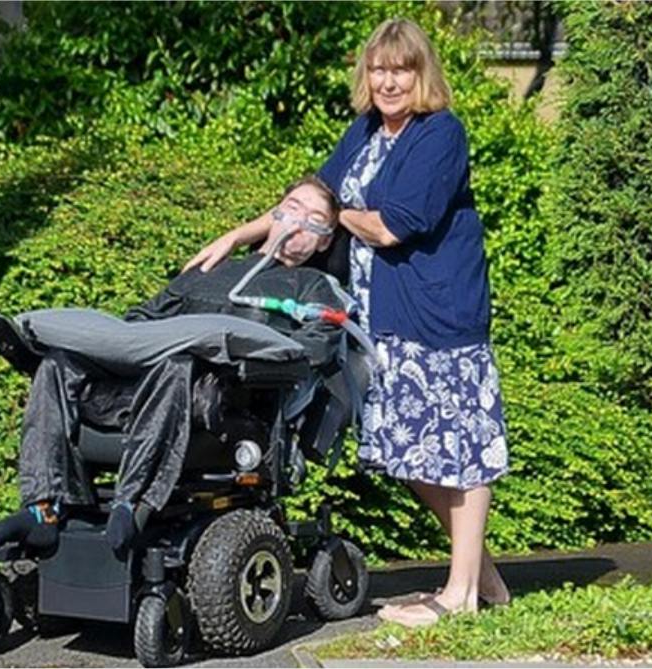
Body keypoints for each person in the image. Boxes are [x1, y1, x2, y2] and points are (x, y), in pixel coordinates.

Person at [184, 18, 511, 626]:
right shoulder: (365, 132)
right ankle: (483, 577)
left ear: (421, 74)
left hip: (438, 315)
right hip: (381, 315)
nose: (388, 81)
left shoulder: (440, 134)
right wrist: (241, 234)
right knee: (407, 451)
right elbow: (315, 195)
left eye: (401, 70)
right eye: (379, 70)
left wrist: (328, 216)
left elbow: (390, 225)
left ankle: (460, 596)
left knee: (457, 449)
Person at [0, 176, 343, 555]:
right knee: (58, 363)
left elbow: (315, 348)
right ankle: (42, 509)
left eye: (315, 219)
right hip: (135, 388)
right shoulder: (211, 269)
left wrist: (245, 353)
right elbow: (143, 317)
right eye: (295, 208)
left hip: (217, 404)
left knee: (177, 361)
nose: (300, 223)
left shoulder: (313, 287)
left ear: (324, 240)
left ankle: (131, 503)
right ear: (274, 213)